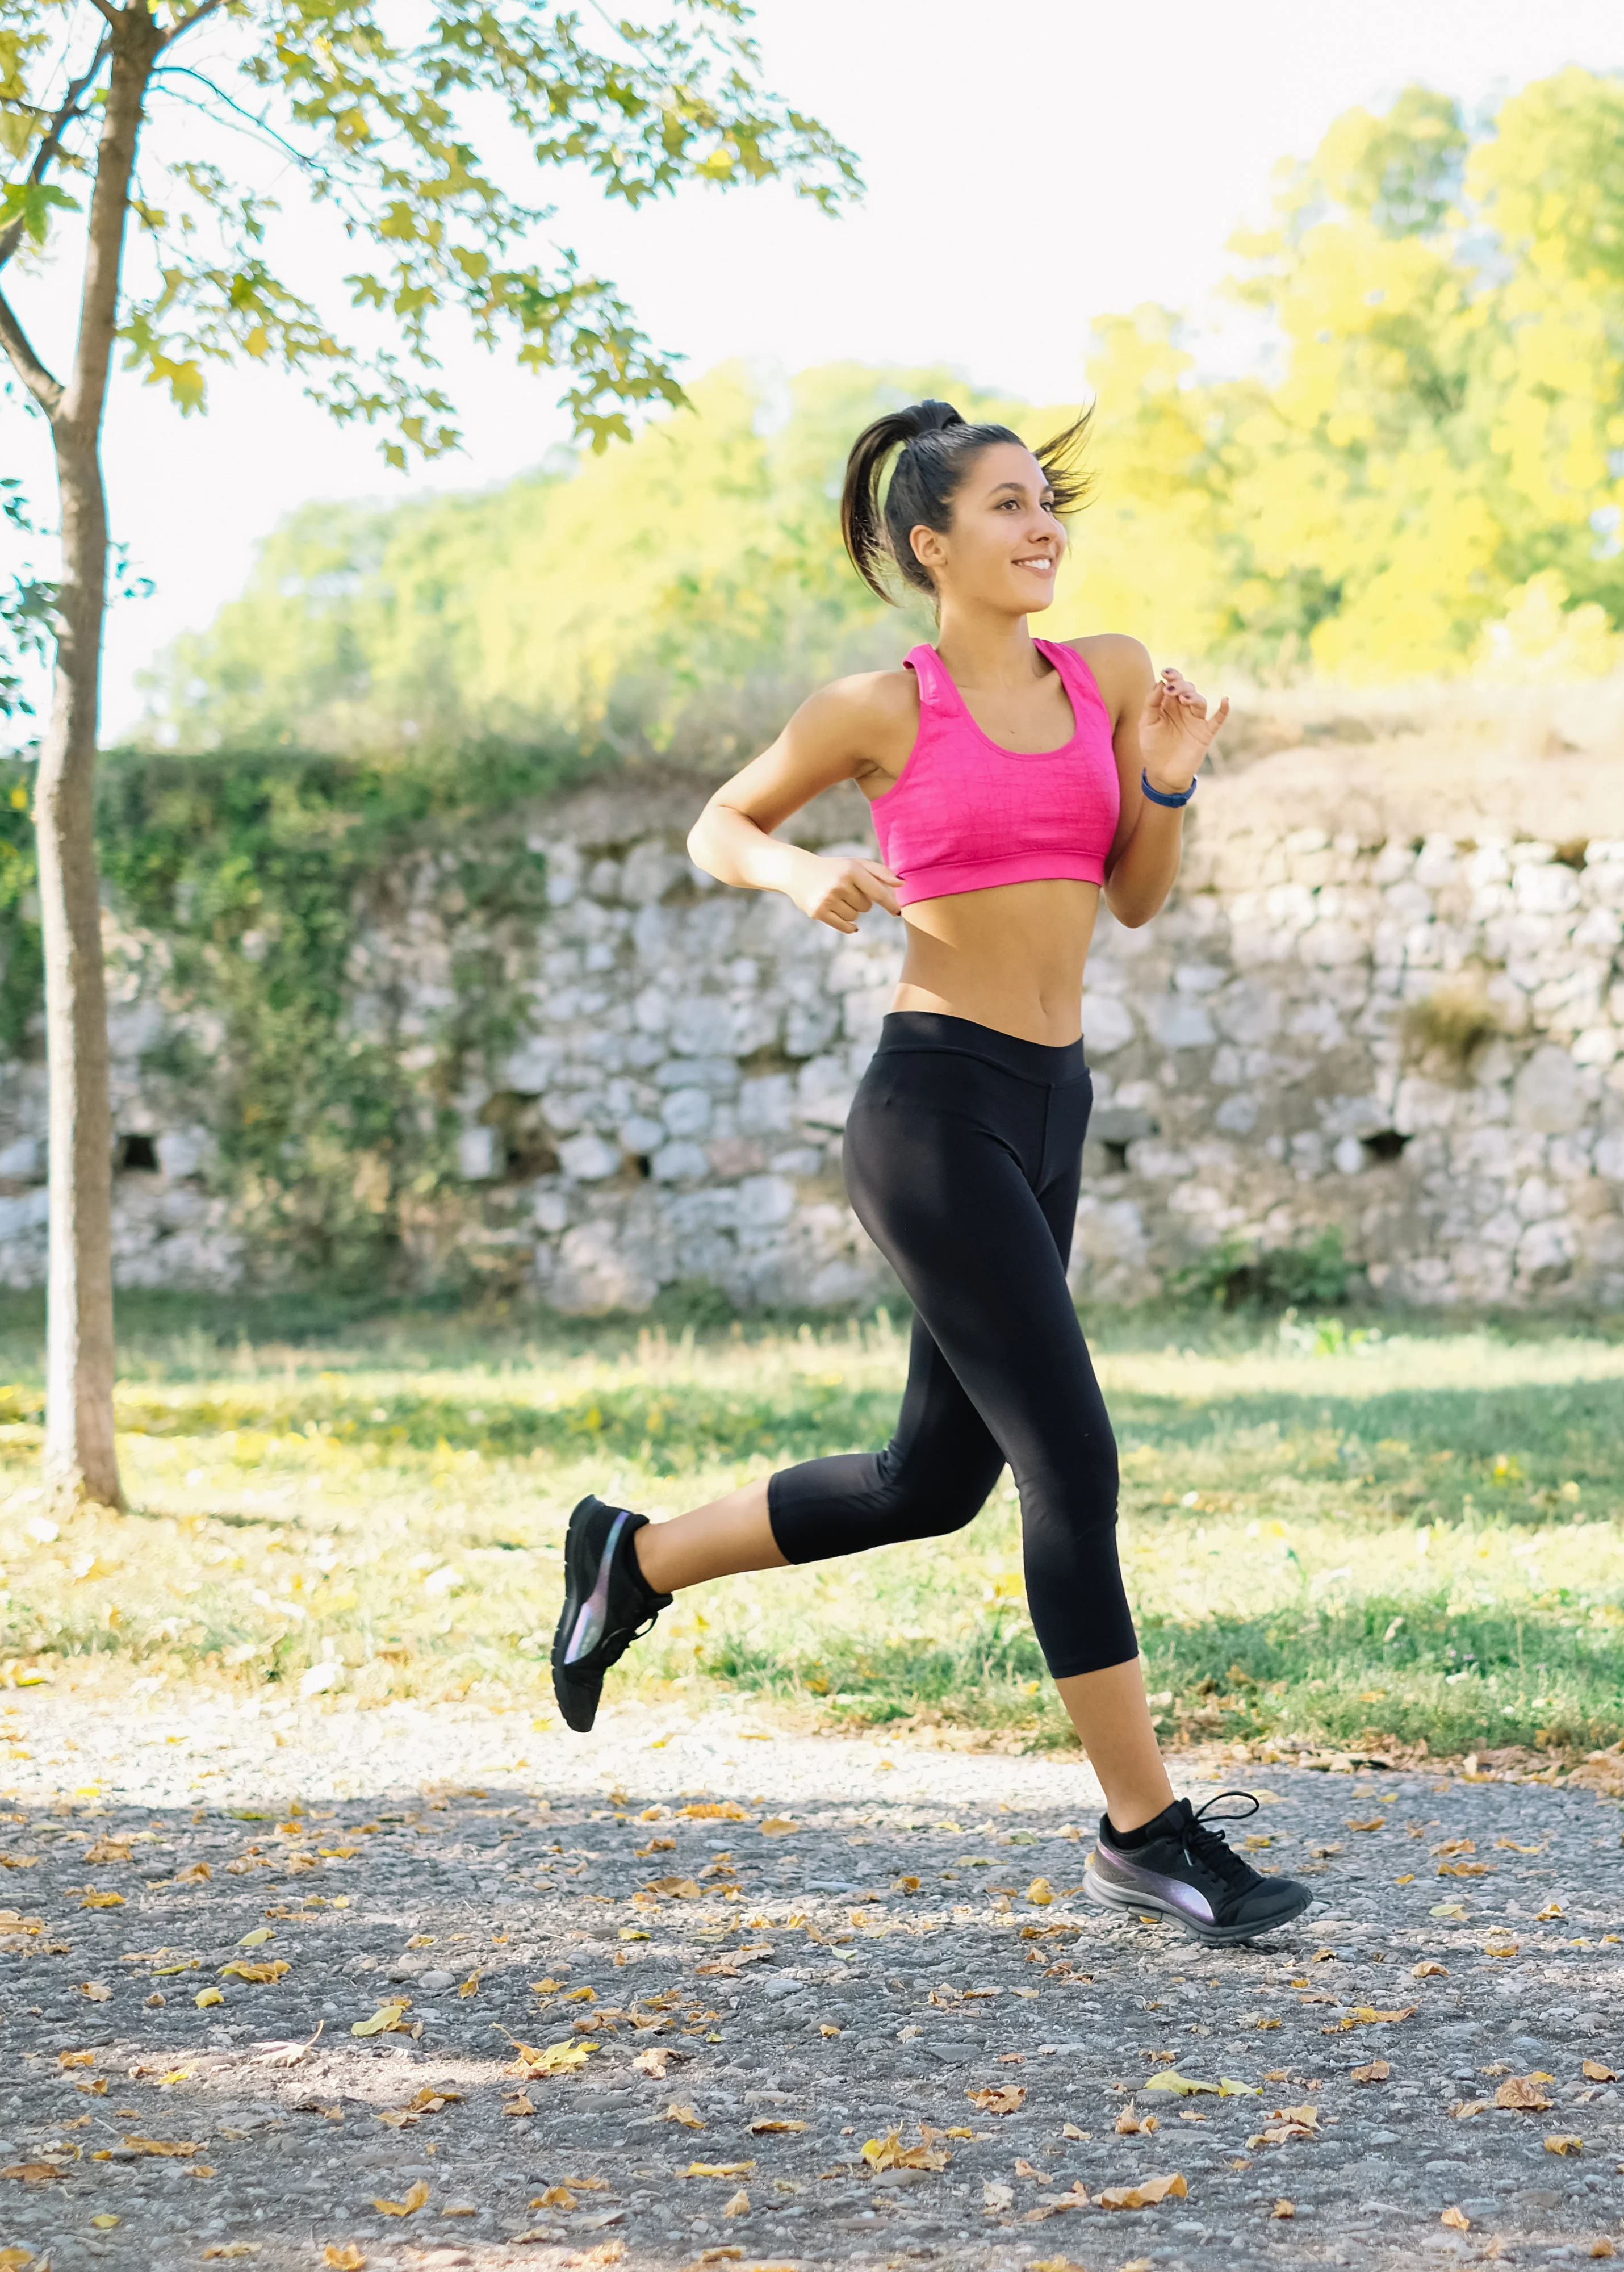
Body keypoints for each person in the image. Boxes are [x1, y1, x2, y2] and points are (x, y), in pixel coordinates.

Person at [545, 398, 1308, 1948]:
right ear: (929, 542)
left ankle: (634, 1556)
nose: (1044, 531)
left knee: (932, 1483)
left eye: (1051, 506)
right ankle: (1144, 1831)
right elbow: (718, 823)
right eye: (1011, 508)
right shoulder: (875, 709)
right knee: (1070, 1466)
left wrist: (1162, 780)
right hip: (935, 1107)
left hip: (1051, 1104)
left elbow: (1138, 901)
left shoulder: (1103, 674)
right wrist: (799, 865)